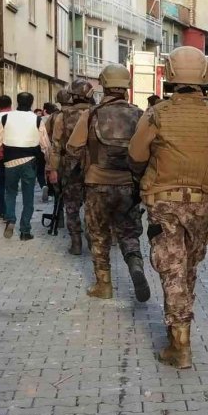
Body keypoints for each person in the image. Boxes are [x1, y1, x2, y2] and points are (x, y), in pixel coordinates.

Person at [129, 47, 208, 368]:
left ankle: (180, 344)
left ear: (170, 73)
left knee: (172, 267)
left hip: (163, 201)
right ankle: (178, 331)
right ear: (204, 75)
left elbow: (135, 156)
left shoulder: (156, 114)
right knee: (187, 267)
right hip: (202, 203)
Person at [64, 65, 150, 301]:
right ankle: (135, 265)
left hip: (97, 184)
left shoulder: (91, 115)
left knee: (99, 235)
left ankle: (104, 285)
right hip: (129, 187)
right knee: (129, 232)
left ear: (103, 84)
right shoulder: (140, 115)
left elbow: (73, 148)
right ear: (126, 87)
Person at [0, 92, 51, 241]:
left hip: (9, 162)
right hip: (29, 162)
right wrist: (49, 164)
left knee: (10, 192)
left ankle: (10, 218)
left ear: (17, 101)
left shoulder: (6, 118)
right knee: (28, 196)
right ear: (31, 103)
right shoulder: (37, 119)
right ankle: (25, 231)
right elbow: (45, 145)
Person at [48, 83, 93, 256]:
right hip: (94, 167)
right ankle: (93, 240)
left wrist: (53, 169)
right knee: (92, 205)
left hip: (70, 166)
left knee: (72, 206)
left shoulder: (63, 115)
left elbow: (56, 146)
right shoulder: (97, 112)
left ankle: (76, 242)